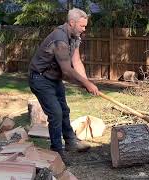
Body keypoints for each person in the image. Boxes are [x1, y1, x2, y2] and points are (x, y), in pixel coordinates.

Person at [28, 8, 99, 157]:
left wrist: (86, 82)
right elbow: (67, 70)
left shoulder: (75, 36)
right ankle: (57, 152)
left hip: (54, 78)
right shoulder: (60, 39)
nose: (84, 29)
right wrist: (86, 84)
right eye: (82, 26)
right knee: (56, 113)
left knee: (64, 111)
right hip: (40, 78)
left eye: (85, 26)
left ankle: (71, 142)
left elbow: (76, 61)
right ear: (71, 23)